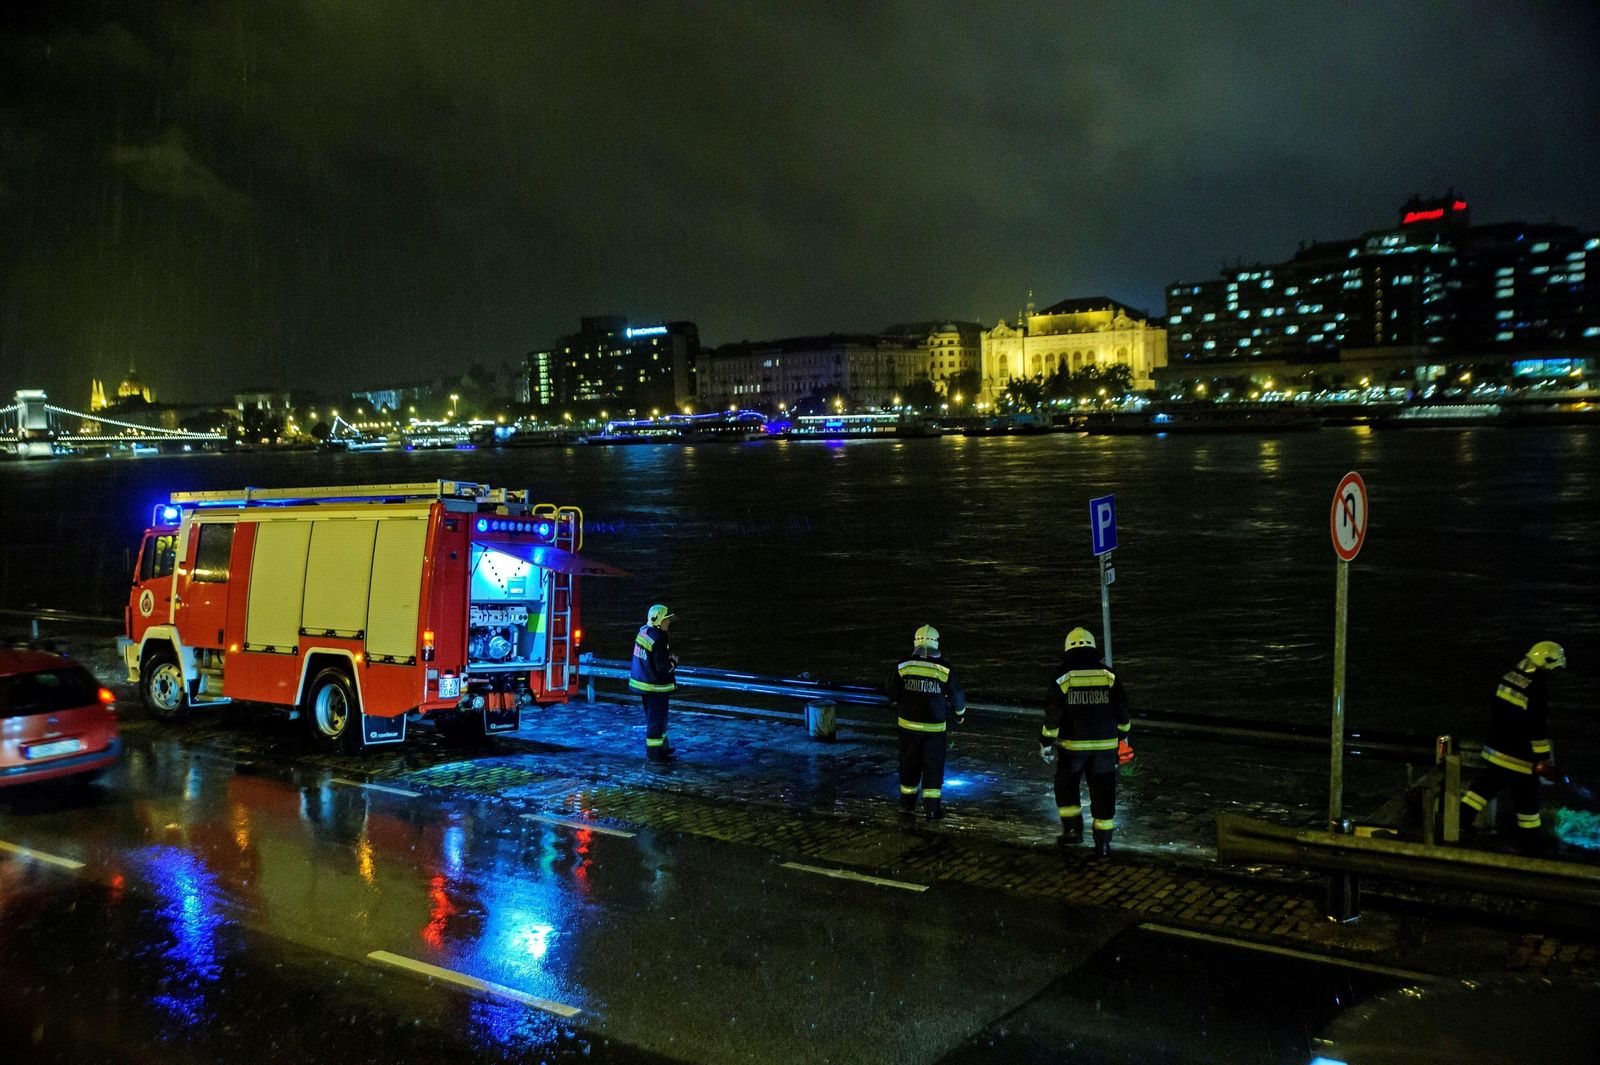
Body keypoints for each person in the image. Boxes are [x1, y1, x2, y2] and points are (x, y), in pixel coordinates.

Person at [1460, 640, 1566, 855]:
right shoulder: (1537, 690)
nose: (1553, 674)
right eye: (1553, 668)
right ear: (1544, 663)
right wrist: (1543, 760)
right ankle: (1531, 844)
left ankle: (1458, 820)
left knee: (1484, 787)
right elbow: (1537, 730)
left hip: (1496, 748)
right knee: (1528, 800)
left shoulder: (1509, 677)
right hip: (1519, 757)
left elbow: (1499, 711)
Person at [1040, 626, 1132, 857]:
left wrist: (1046, 742)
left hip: (1073, 748)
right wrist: (1123, 737)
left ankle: (1072, 831)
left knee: (1067, 787)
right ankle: (1102, 843)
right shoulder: (1108, 675)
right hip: (1105, 748)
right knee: (1104, 791)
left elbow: (1053, 715)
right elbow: (1122, 711)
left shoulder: (1063, 677)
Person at [889, 624, 966, 820]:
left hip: (908, 727)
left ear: (915, 642)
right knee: (933, 768)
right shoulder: (944, 669)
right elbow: (957, 695)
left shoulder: (903, 665)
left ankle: (907, 806)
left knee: (909, 766)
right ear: (936, 644)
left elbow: (891, 692)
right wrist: (959, 714)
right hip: (934, 729)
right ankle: (932, 811)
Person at [629, 604, 678, 762]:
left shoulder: (644, 632)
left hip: (644, 684)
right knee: (656, 722)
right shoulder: (659, 639)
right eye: (666, 620)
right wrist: (673, 662)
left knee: (657, 719)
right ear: (658, 621)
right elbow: (663, 667)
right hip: (656, 687)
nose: (668, 623)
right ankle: (655, 755)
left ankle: (662, 748)